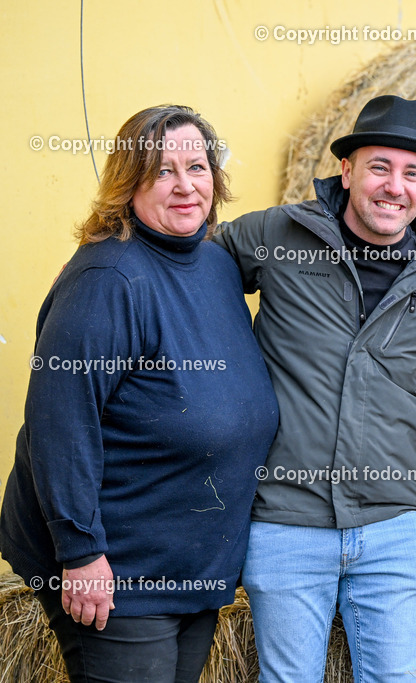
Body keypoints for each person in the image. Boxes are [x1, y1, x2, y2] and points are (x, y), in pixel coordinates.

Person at [0, 105, 280, 682]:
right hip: (120, 567)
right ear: (127, 184)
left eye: (197, 168)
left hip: (191, 562)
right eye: (161, 172)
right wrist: (79, 553)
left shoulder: (215, 263)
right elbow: (60, 423)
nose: (185, 186)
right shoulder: (110, 279)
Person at [211, 95, 416, 682]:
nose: (394, 187)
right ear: (347, 170)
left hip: (397, 524)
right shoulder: (278, 234)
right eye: (379, 167)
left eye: (412, 174)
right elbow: (186, 272)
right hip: (287, 520)